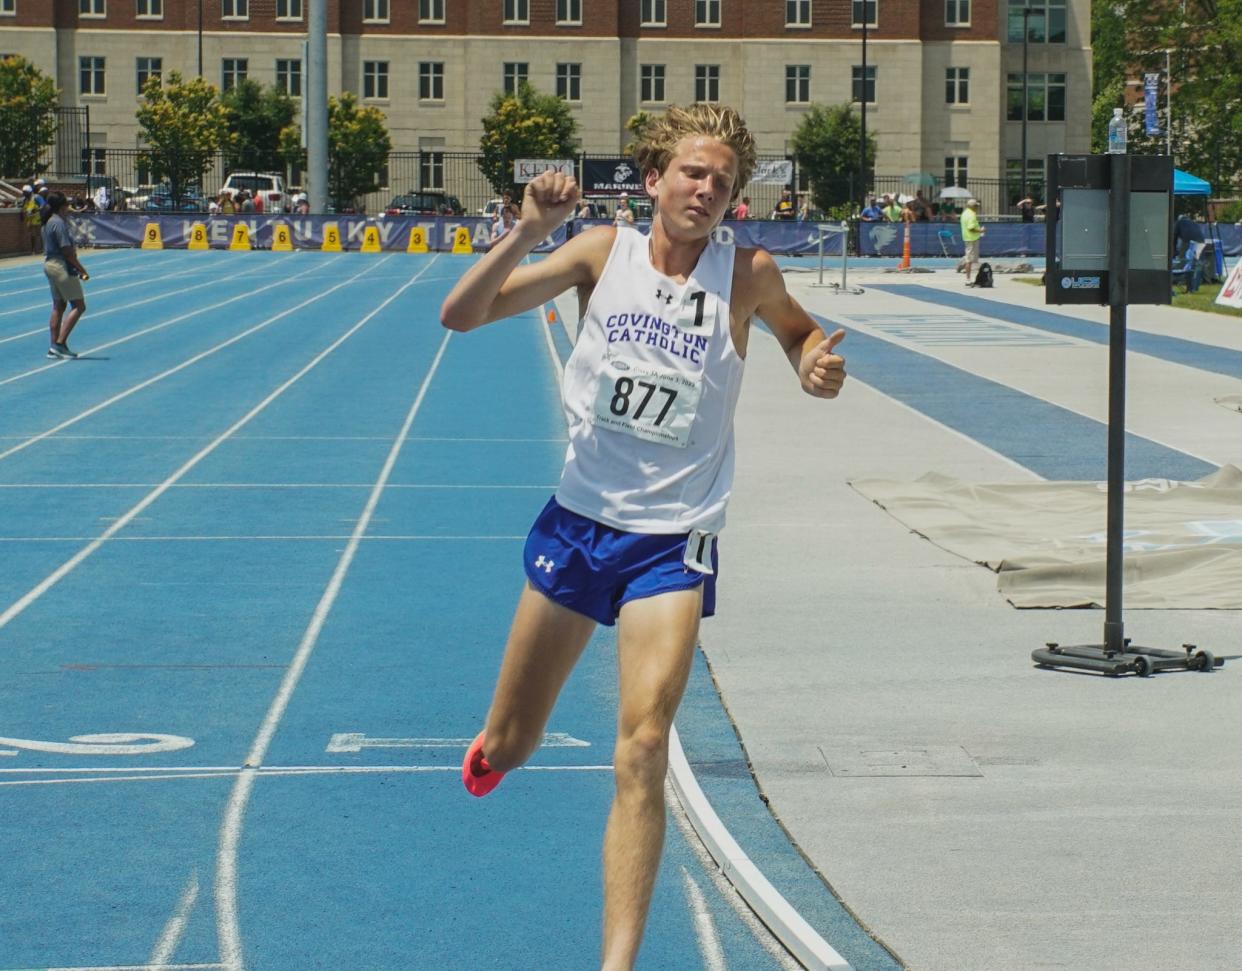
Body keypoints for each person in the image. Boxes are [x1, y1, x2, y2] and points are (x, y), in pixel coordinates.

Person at [440, 102, 847, 971]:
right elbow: (462, 314)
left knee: (646, 741)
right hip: (581, 525)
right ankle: (499, 744)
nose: (706, 189)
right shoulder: (600, 254)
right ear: (654, 179)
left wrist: (813, 360)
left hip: (674, 539)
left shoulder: (749, 274)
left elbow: (799, 331)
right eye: (693, 173)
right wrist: (525, 233)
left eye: (724, 182)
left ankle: (616, 964)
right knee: (512, 741)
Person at [41, 191, 90, 360]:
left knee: (58, 306)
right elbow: (67, 252)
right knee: (79, 305)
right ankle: (60, 344)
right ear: (62, 206)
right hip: (60, 265)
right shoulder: (59, 223)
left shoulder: (48, 221)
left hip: (50, 264)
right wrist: (81, 269)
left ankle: (54, 346)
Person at [960, 197, 985, 284]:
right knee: (969, 259)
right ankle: (968, 279)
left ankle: (967, 274)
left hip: (967, 237)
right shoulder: (971, 215)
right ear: (973, 206)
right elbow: (971, 228)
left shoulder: (965, 213)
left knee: (970, 258)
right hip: (971, 238)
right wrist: (981, 231)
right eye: (976, 206)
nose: (977, 208)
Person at [21, 184, 42, 253]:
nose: (24, 194)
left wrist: (37, 209)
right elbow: (24, 209)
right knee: (32, 235)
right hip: (29, 220)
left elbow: (43, 205)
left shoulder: (36, 198)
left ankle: (38, 249)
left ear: (29, 192)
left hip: (37, 218)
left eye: (25, 192)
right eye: (23, 192)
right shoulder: (25, 200)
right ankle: (32, 249)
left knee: (38, 234)